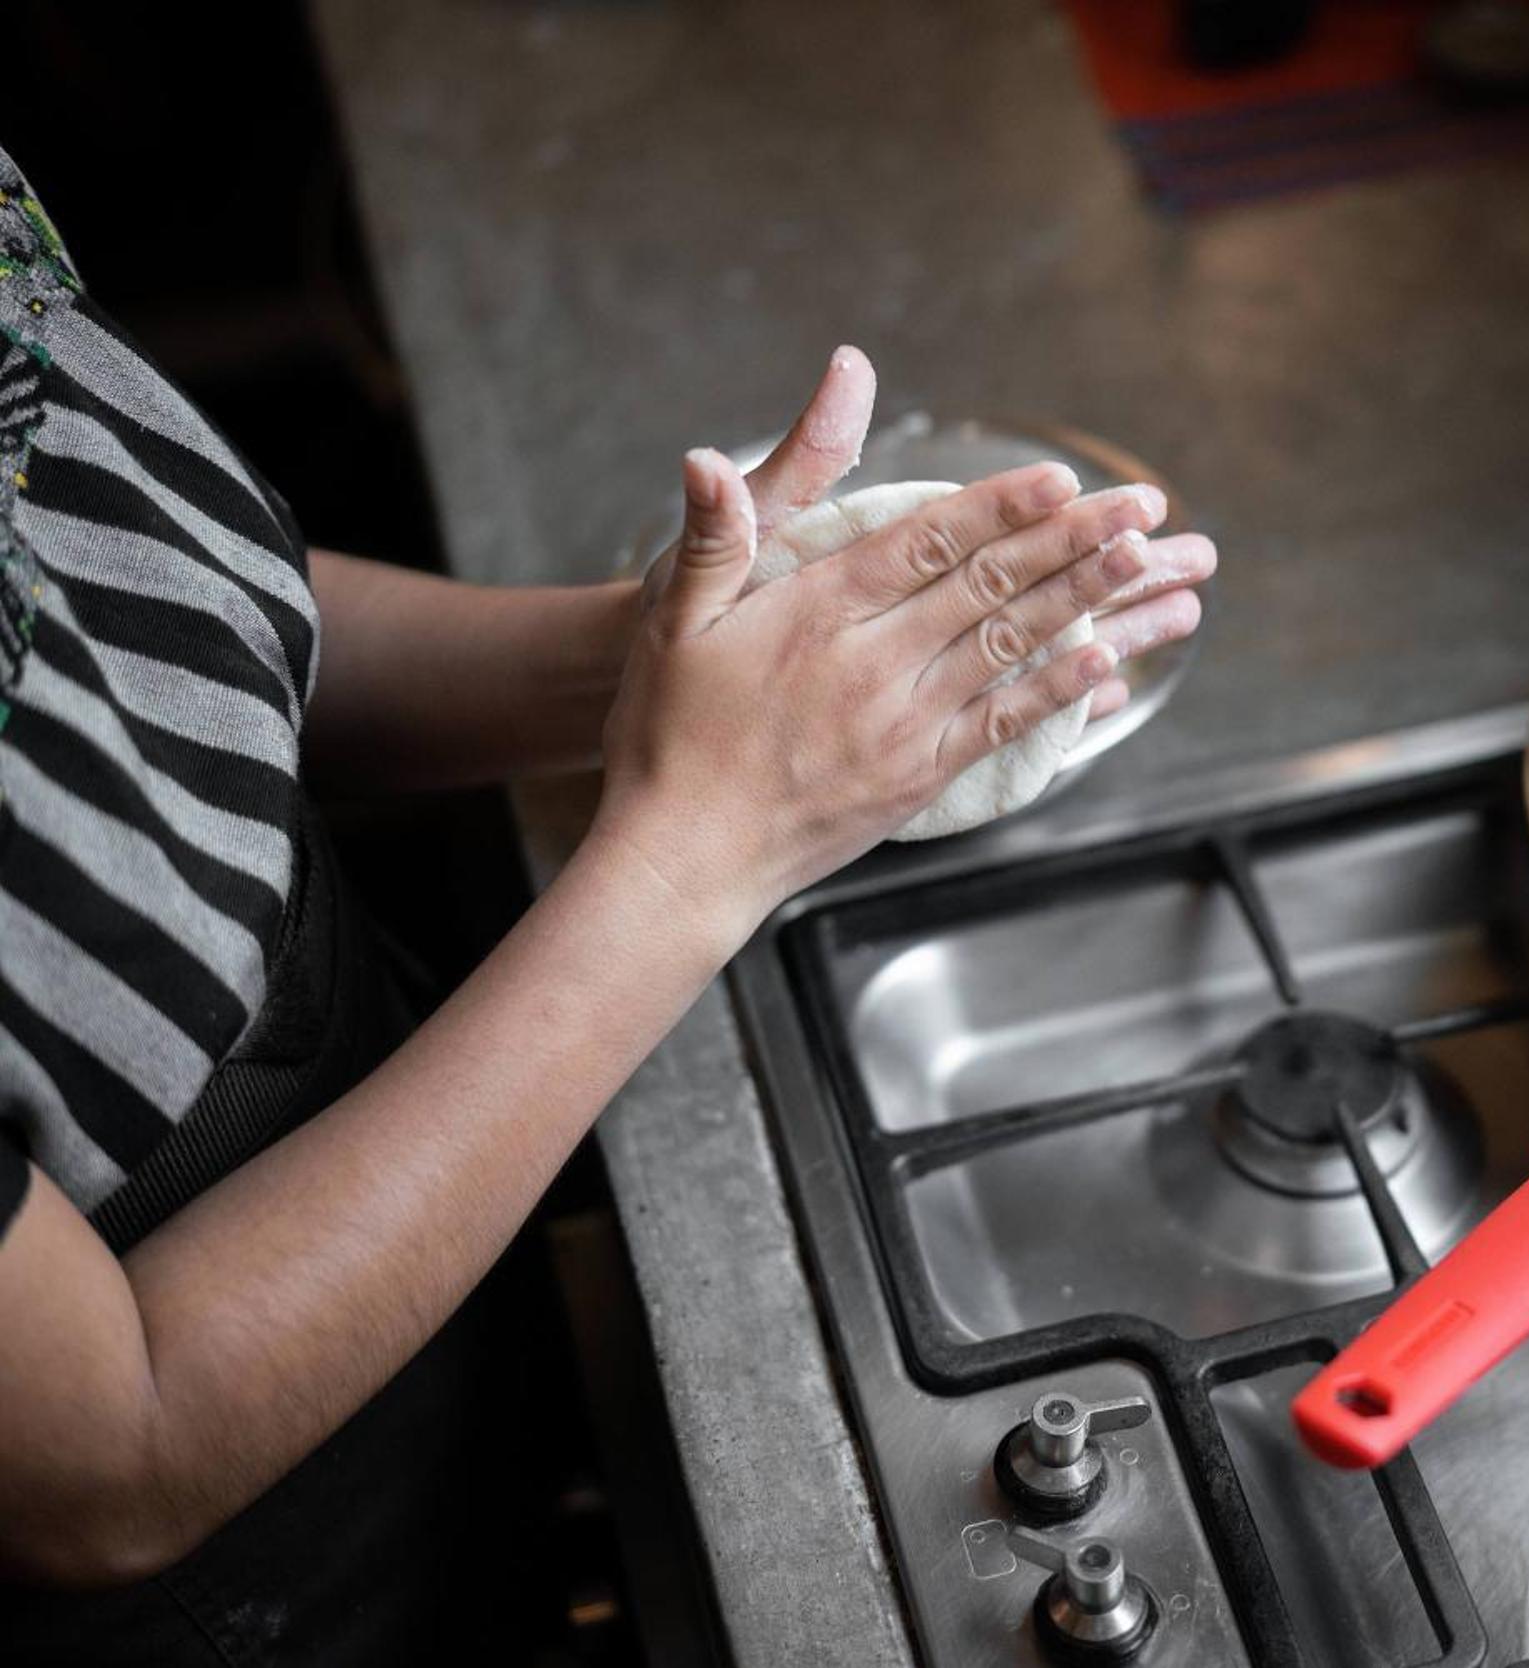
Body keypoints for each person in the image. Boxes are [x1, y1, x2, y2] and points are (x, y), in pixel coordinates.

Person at [0, 145, 1214, 1663]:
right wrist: (702, 849)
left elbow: (126, 602)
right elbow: (108, 1462)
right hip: (220, 1546)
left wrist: (658, 661)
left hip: (372, 1112)